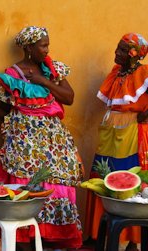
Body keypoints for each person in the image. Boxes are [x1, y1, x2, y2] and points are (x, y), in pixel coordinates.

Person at [0, 26, 84, 251]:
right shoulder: (11, 76)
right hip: (25, 145)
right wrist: (19, 121)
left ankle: (50, 241)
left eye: (48, 44)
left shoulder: (53, 70)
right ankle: (25, 242)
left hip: (56, 144)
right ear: (29, 48)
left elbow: (69, 98)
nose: (47, 49)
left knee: (56, 185)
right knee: (27, 186)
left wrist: (43, 81)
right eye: (43, 45)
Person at [84, 33, 148, 251]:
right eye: (117, 48)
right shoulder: (116, 73)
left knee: (130, 175)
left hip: (131, 131)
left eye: (122, 50)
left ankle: (132, 240)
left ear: (133, 54)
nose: (116, 53)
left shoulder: (144, 72)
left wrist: (146, 113)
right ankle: (96, 234)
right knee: (101, 176)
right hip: (110, 129)